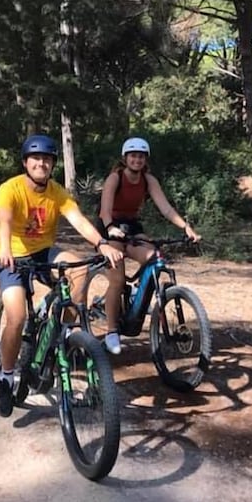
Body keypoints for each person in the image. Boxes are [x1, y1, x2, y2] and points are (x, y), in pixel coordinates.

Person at [0, 134, 123, 417]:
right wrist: (4, 248)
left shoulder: (57, 192)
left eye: (47, 159)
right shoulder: (10, 188)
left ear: (53, 165)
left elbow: (78, 220)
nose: (42, 164)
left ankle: (62, 335)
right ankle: (6, 377)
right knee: (16, 316)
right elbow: (4, 220)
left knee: (79, 268)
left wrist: (101, 244)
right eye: (36, 159)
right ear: (26, 162)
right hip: (11, 254)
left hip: (42, 252)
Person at [97, 136, 201, 355]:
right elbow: (105, 211)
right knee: (116, 279)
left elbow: (166, 208)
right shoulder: (115, 178)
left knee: (155, 257)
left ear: (146, 159)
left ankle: (136, 293)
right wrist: (110, 228)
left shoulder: (148, 180)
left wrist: (186, 227)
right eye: (133, 156)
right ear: (125, 158)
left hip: (132, 226)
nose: (137, 160)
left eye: (141, 156)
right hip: (110, 227)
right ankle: (112, 331)